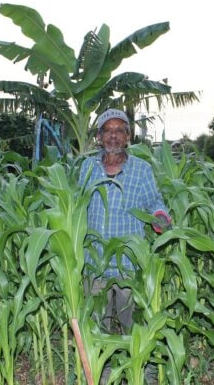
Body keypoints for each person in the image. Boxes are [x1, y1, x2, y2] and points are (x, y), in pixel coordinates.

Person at [79, 108, 171, 333]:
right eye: (108, 131)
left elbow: (155, 202)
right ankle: (104, 369)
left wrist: (160, 217)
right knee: (98, 327)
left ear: (128, 137)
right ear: (99, 137)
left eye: (120, 130)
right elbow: (78, 207)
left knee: (131, 328)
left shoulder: (141, 170)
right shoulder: (88, 168)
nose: (113, 135)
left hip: (127, 265)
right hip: (94, 263)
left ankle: (137, 367)